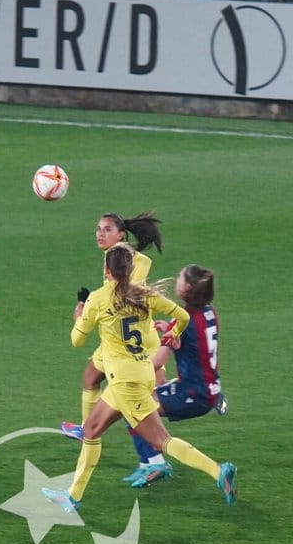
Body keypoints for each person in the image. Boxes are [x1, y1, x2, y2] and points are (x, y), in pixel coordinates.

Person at [42, 244, 237, 513]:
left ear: (106, 270)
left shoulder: (98, 299)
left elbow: (77, 340)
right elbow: (181, 316)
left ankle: (217, 470)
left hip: (126, 383)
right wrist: (173, 334)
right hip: (139, 374)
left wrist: (79, 318)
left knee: (161, 441)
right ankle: (72, 497)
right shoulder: (144, 294)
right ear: (130, 269)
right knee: (91, 430)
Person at [61, 211, 164, 440]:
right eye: (98, 229)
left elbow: (141, 267)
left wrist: (86, 314)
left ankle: (200, 391)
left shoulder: (128, 258)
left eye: (107, 230)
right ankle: (86, 429)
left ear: (121, 235)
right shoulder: (114, 255)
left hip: (134, 339)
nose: (100, 234)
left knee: (150, 398)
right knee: (91, 377)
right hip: (120, 336)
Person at [123, 263, 227, 489]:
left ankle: (156, 464)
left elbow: (158, 362)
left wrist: (129, 370)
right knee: (140, 411)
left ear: (187, 288)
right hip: (208, 386)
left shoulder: (182, 320)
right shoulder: (209, 311)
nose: (176, 279)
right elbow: (195, 341)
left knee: (134, 408)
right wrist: (170, 329)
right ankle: (149, 464)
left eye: (180, 277)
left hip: (193, 392)